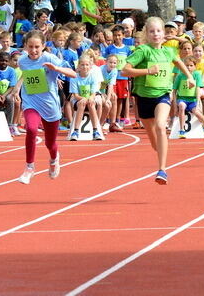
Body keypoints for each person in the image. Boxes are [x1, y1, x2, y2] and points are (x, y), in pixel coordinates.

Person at [122, 17, 196, 185]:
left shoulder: (169, 51)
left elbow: (179, 63)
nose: (156, 34)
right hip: (143, 97)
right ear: (146, 34)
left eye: (158, 31)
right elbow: (125, 71)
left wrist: (190, 76)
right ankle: (159, 151)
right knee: (154, 142)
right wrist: (148, 71)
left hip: (162, 95)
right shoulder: (143, 51)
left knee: (161, 126)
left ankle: (162, 170)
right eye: (152, 31)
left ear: (164, 33)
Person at [17, 30, 77, 184]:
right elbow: (27, 75)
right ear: (25, 46)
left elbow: (73, 74)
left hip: (49, 105)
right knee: (31, 129)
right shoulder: (22, 61)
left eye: (37, 46)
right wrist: (17, 89)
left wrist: (56, 70)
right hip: (31, 102)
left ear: (43, 46)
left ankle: (54, 158)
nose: (34, 50)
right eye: (30, 47)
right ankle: (29, 167)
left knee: (50, 143)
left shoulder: (50, 58)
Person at [69, 54, 105, 141]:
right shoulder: (74, 77)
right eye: (82, 65)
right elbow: (75, 95)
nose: (85, 67)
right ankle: (75, 131)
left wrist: (89, 99)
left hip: (90, 98)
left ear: (90, 66)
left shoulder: (93, 77)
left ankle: (95, 130)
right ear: (79, 66)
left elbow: (93, 93)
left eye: (87, 64)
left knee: (91, 104)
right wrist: (83, 99)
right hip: (79, 99)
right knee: (81, 104)